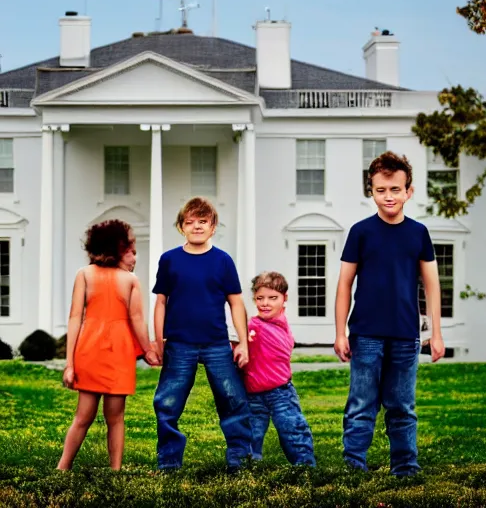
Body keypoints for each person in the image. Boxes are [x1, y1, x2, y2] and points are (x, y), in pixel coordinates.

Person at [334, 151, 445, 477]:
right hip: (365, 333)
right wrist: (340, 332)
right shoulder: (360, 232)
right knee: (361, 405)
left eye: (395, 189)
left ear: (408, 191)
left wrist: (435, 333)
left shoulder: (418, 233)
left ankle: (405, 468)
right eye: (381, 190)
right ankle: (353, 467)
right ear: (372, 191)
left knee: (402, 407)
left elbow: (432, 285)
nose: (388, 196)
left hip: (405, 334)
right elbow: (344, 285)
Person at [152, 197, 252, 473]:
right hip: (179, 343)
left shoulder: (222, 261)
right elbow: (161, 302)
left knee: (233, 400)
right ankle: (169, 462)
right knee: (167, 403)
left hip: (216, 343)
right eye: (190, 222)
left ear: (213, 226)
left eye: (203, 222)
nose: (196, 226)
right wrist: (158, 340)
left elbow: (236, 302)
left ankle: (239, 461)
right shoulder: (170, 260)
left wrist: (243, 342)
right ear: (181, 227)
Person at [57, 220, 160, 470]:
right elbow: (136, 320)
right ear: (116, 248)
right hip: (107, 352)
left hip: (101, 351)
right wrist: (148, 349)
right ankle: (76, 467)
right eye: (131, 250)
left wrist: (147, 349)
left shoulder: (89, 274)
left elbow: (75, 318)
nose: (134, 256)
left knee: (89, 417)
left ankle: (71, 467)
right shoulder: (120, 278)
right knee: (111, 418)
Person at [240, 271, 316, 466]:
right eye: (260, 298)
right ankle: (248, 467)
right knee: (250, 434)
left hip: (280, 392)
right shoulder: (250, 326)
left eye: (273, 298)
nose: (266, 303)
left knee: (293, 430)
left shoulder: (279, 326)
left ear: (284, 299)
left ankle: (305, 466)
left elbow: (283, 346)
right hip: (253, 393)